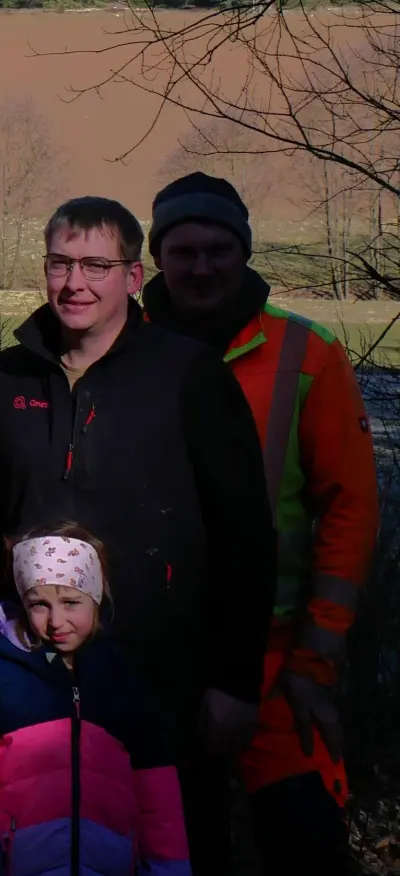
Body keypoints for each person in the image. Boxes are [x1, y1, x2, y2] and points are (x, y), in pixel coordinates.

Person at [0, 196, 278, 875]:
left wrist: (236, 680)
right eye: (60, 263)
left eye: (96, 264)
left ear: (132, 275)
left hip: (161, 679)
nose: (75, 283)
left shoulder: (189, 377)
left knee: (172, 849)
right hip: (28, 681)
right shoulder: (8, 378)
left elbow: (244, 535)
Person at [144, 172, 379, 875]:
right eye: (183, 250)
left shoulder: (310, 355)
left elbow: (351, 509)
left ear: (245, 252)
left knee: (307, 844)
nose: (202, 267)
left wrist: (315, 660)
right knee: (178, 849)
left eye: (220, 249)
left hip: (281, 664)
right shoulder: (124, 349)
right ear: (157, 258)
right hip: (158, 657)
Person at [0, 522, 190, 876]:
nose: (56, 621)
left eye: (71, 602)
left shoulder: (125, 683)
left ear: (97, 597)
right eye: (39, 604)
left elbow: (159, 802)